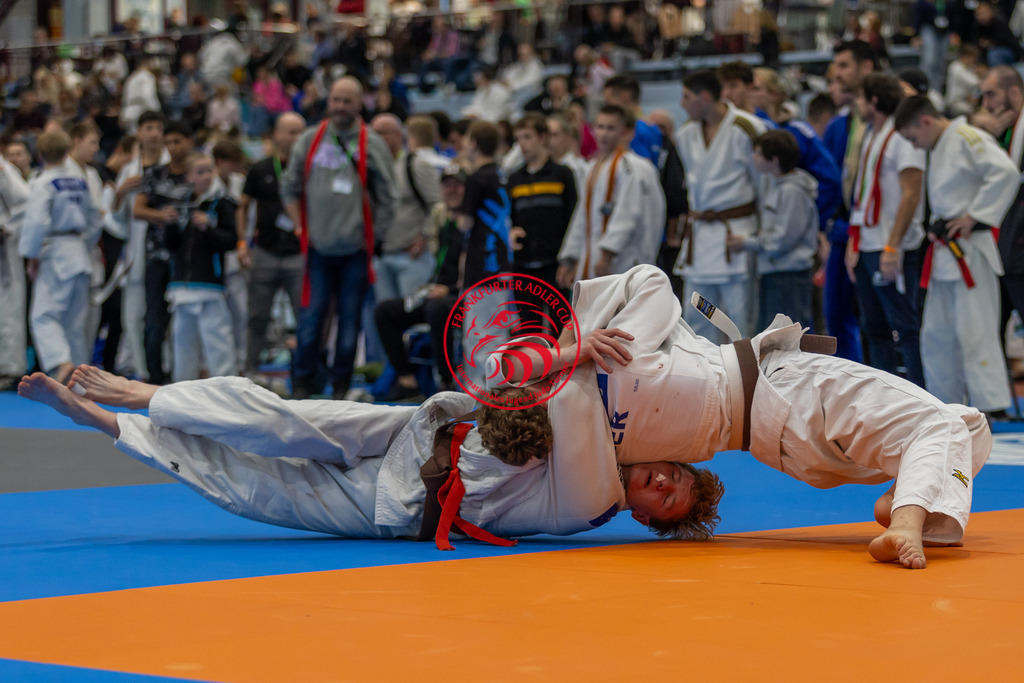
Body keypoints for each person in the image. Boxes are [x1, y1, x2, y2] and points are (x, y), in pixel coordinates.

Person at [489, 264, 991, 568]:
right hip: (783, 394)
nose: (662, 481)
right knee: (938, 424)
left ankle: (918, 504)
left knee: (966, 424)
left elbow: (498, 368)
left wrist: (573, 351)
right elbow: (496, 380)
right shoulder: (600, 460)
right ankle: (907, 519)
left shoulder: (610, 350)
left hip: (781, 434)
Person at [16, 361, 721, 544]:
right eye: (673, 475)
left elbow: (561, 398)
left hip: (401, 503)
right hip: (416, 432)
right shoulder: (618, 435)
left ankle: (102, 423)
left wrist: (576, 358)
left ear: (646, 519)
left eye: (664, 499)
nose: (658, 481)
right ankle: (147, 395)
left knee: (256, 485)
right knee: (280, 418)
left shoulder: (594, 499)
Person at [895, 95, 1019, 417]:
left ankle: (989, 406)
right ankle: (945, 404)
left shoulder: (967, 137)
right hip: (944, 255)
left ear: (925, 120)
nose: (915, 145)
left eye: (912, 137)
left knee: (975, 331)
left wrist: (975, 216)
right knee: (936, 334)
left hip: (970, 252)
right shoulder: (939, 145)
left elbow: (1006, 172)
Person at [280, 76, 396, 400]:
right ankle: (302, 384)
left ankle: (341, 387)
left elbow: (389, 195)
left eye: (347, 100)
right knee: (310, 321)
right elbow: (288, 187)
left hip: (354, 253)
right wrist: (300, 227)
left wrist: (377, 238)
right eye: (335, 100)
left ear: (360, 104)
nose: (340, 107)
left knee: (349, 325)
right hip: (318, 250)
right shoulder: (309, 139)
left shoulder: (371, 142)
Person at [846, 73, 926, 388]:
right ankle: (886, 399)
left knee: (904, 327)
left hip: (893, 245)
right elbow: (863, 193)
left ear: (874, 101)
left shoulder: (902, 136)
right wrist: (855, 241)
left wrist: (893, 247)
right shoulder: (870, 134)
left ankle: (919, 396)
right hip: (868, 241)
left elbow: (912, 193)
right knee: (873, 327)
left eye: (860, 97)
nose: (856, 104)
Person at [674, 69, 766, 342]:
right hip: (700, 241)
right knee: (698, 317)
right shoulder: (685, 134)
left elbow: (764, 186)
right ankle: (706, 379)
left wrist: (759, 236)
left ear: (704, 97)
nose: (682, 103)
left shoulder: (747, 128)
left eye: (686, 96)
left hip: (735, 236)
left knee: (739, 320)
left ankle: (746, 380)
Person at [374, 163, 468, 402]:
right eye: (447, 186)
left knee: (437, 309)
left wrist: (451, 289)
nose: (452, 190)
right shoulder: (441, 220)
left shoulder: (472, 223)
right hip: (436, 291)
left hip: (463, 295)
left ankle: (445, 381)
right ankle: (408, 381)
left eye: (457, 185)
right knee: (385, 311)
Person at [18, 131, 101, 385]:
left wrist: (31, 255)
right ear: (67, 152)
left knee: (42, 316)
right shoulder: (79, 180)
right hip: (78, 251)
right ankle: (81, 381)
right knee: (75, 324)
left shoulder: (44, 182)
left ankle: (61, 362)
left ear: (39, 155)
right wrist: (82, 244)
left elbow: (36, 222)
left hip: (55, 252)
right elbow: (96, 217)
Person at [557, 104, 665, 287]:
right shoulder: (593, 167)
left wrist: (607, 255)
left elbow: (628, 215)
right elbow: (582, 215)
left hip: (625, 258)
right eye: (600, 127)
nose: (604, 134)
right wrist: (570, 257)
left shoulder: (635, 168)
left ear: (625, 132)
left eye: (611, 128)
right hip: (592, 255)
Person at [728, 130, 818, 331]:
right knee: (770, 336)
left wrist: (746, 243)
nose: (754, 158)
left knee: (786, 339)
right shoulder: (778, 187)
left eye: (759, 154)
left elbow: (781, 240)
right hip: (775, 273)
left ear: (774, 160)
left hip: (788, 276)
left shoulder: (791, 192)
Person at [239, 112, 306, 377]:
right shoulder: (261, 169)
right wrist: (242, 243)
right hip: (265, 252)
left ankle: (303, 372)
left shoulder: (309, 170)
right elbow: (243, 207)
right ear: (277, 135)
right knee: (257, 316)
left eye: (301, 131)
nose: (296, 137)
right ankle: (251, 369)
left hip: (298, 255)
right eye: (290, 131)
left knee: (305, 319)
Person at [823, 40, 878, 363]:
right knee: (836, 315)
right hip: (843, 230)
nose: (837, 73)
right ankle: (850, 388)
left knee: (878, 321)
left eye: (844, 65)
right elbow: (828, 183)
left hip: (877, 231)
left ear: (866, 67)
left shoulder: (891, 116)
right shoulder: (839, 124)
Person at [165, 153, 238, 382]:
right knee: (182, 342)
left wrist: (209, 227)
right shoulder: (182, 204)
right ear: (189, 176)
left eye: (209, 170)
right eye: (200, 172)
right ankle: (181, 391)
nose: (206, 176)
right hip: (182, 285)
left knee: (217, 342)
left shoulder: (222, 203)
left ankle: (227, 392)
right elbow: (172, 246)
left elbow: (231, 241)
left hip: (209, 284)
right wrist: (171, 225)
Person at [507, 113, 578, 328]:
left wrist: (570, 260)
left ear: (543, 137)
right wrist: (510, 232)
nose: (523, 144)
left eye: (528, 137)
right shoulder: (514, 178)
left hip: (555, 265)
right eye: (518, 138)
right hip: (523, 265)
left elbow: (574, 218)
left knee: (562, 328)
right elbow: (507, 219)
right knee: (530, 331)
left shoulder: (562, 174)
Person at [114, 111, 170, 380]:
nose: (154, 133)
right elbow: (115, 218)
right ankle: (140, 370)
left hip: (165, 248)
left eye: (158, 127)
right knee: (133, 317)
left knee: (163, 316)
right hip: (136, 250)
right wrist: (121, 191)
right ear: (139, 132)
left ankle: (165, 367)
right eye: (149, 127)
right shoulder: (129, 170)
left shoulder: (173, 166)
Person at [377, 115, 442, 303]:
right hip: (381, 257)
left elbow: (438, 204)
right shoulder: (374, 168)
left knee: (413, 318)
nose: (378, 138)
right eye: (375, 133)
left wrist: (426, 235)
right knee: (384, 318)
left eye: (384, 133)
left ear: (399, 135)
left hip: (411, 256)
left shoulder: (415, 164)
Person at [0, 153, 31, 391]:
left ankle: (11, 368)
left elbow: (26, 200)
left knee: (8, 308)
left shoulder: (3, 168)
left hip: (5, 249)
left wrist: (7, 227)